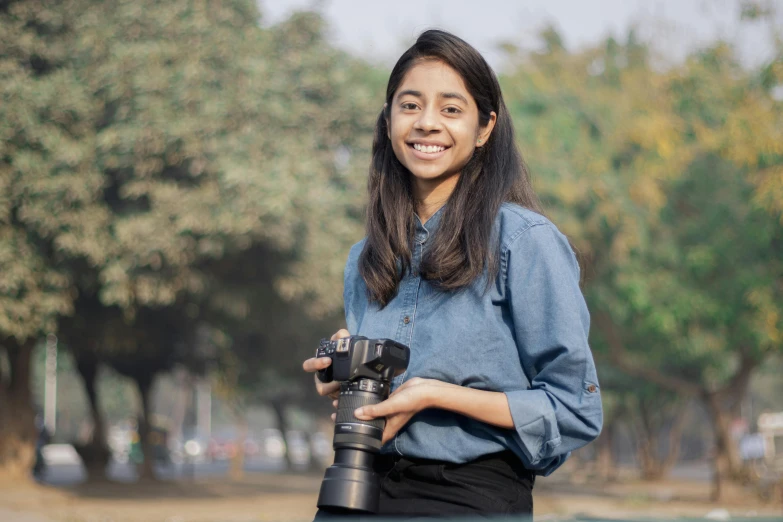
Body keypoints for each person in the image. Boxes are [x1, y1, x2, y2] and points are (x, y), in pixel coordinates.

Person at [302, 29, 603, 518]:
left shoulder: (524, 242)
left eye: (450, 109)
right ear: (388, 119)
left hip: (468, 497)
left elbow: (574, 410)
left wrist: (437, 395)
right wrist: (342, 371)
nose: (426, 124)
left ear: (484, 127)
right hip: (355, 490)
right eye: (410, 105)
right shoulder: (367, 258)